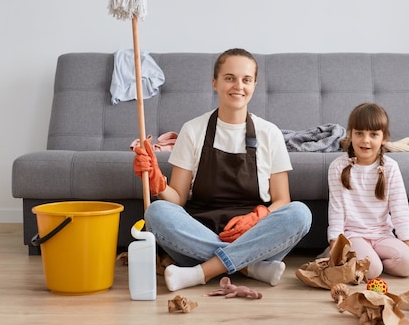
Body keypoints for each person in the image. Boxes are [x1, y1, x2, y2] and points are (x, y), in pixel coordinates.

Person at [133, 48, 312, 291]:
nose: (238, 86)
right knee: (156, 212)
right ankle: (249, 267)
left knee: (300, 213)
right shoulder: (193, 130)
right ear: (215, 83)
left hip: (254, 235)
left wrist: (258, 217)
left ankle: (202, 272)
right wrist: (158, 184)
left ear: (254, 85)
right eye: (229, 78)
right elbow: (177, 199)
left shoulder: (269, 133)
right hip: (200, 234)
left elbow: (282, 200)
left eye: (246, 79)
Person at [327, 102, 409, 279]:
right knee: (372, 269)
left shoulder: (391, 167)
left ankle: (374, 260)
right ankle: (370, 261)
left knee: (408, 265)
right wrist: (335, 249)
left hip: (382, 235)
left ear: (384, 138)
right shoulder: (338, 167)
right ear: (350, 134)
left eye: (373, 134)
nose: (365, 140)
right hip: (353, 235)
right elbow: (336, 213)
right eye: (359, 133)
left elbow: (401, 213)